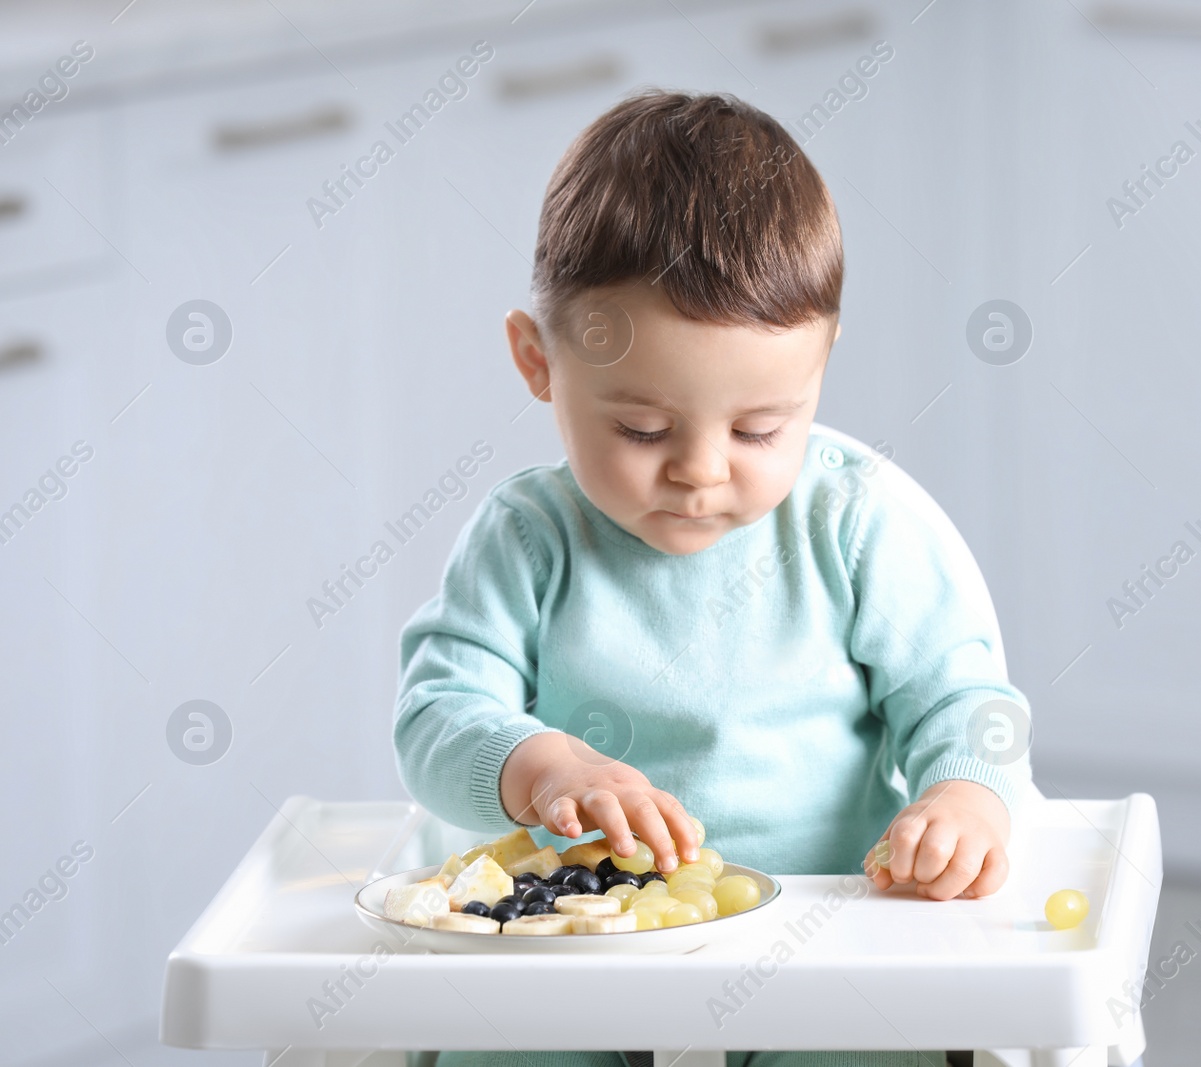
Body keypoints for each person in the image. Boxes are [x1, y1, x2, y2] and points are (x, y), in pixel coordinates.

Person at [394, 88, 1034, 1067]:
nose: (700, 469)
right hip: (573, 939)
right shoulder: (526, 539)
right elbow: (436, 714)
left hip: (827, 945)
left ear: (819, 366)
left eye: (759, 428)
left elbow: (964, 695)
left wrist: (965, 796)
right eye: (641, 428)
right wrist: (538, 764)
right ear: (538, 361)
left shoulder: (860, 520)